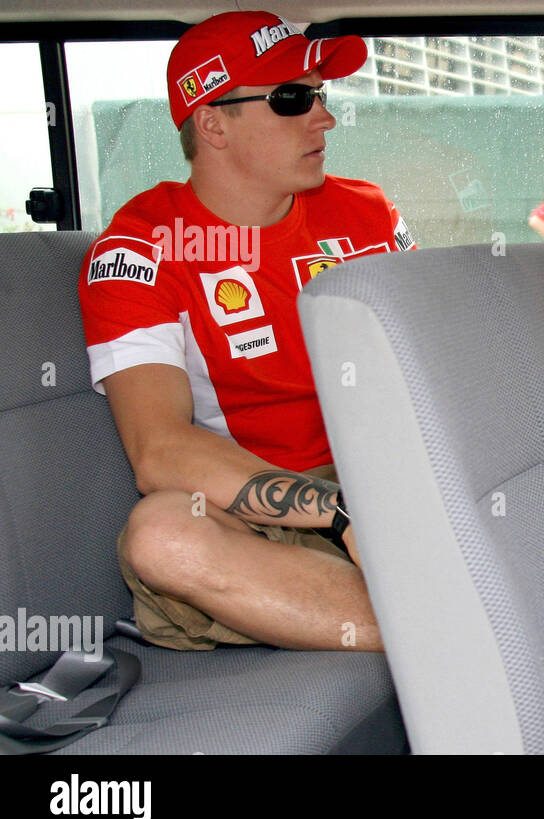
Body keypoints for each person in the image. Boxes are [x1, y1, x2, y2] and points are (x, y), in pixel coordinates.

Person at [78, 11, 415, 652]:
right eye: (292, 98)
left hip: (388, 478)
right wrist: (343, 512)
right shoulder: (142, 248)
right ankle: (456, 629)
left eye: (320, 94)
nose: (324, 118)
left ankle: (429, 610)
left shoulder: (368, 214)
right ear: (211, 122)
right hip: (258, 511)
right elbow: (159, 452)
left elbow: (431, 370)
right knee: (162, 534)